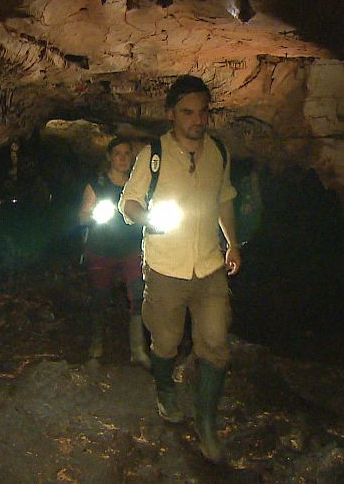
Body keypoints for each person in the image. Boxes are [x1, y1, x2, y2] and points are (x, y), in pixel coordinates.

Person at [119, 75, 241, 464]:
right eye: (188, 112)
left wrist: (233, 243)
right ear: (172, 115)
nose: (198, 119)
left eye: (203, 111)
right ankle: (165, 388)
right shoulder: (153, 154)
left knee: (216, 344)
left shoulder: (218, 152)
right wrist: (148, 219)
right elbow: (129, 203)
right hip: (166, 267)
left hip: (208, 266)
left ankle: (206, 423)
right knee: (167, 343)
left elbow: (224, 199)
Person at [78, 138, 151, 369]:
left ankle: (138, 350)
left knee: (138, 296)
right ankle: (96, 343)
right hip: (102, 249)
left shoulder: (140, 185)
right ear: (109, 156)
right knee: (100, 297)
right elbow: (81, 217)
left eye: (127, 154)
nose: (122, 158)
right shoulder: (97, 184)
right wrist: (94, 215)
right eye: (117, 153)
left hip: (132, 248)